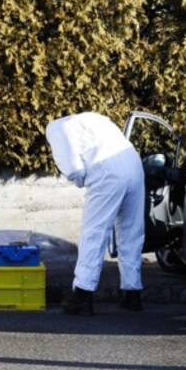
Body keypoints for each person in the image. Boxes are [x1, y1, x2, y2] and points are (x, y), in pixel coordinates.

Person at [45, 112, 146, 316]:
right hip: (134, 166)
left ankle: (82, 295)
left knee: (94, 233)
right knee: (131, 231)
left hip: (106, 172)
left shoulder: (55, 128)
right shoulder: (96, 117)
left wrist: (83, 180)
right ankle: (132, 293)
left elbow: (73, 169)